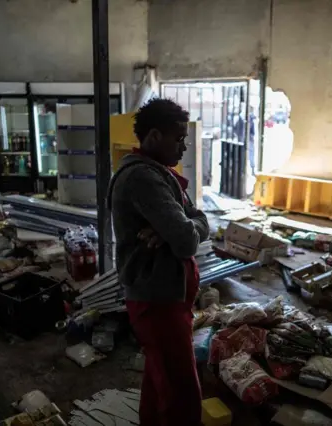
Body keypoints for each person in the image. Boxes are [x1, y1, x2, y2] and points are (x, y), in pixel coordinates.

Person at [107, 98, 209, 426]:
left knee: (158, 381)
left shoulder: (160, 172)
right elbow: (187, 238)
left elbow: (199, 220)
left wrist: (175, 228)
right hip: (157, 301)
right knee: (182, 395)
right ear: (153, 136)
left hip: (169, 297)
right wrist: (179, 230)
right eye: (178, 139)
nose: (184, 147)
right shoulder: (142, 178)